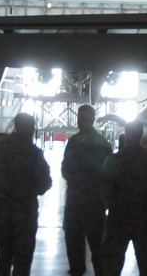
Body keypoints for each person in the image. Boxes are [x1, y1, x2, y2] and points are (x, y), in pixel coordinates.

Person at [0, 112, 53, 276]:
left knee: (4, 257)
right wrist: (35, 190)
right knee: (23, 260)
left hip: (4, 209)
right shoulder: (33, 152)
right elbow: (44, 183)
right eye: (31, 126)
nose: (33, 130)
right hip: (26, 210)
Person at [101, 120, 147, 276]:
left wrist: (122, 217)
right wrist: (144, 218)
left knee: (112, 267)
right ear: (141, 134)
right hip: (144, 225)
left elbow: (106, 192)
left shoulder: (112, 161)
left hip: (118, 224)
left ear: (126, 134)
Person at [62, 104, 113, 276]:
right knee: (97, 242)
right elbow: (108, 173)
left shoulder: (76, 142)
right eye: (79, 117)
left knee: (74, 239)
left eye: (82, 118)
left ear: (91, 119)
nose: (79, 121)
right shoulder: (102, 143)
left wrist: (75, 179)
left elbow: (65, 169)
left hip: (78, 200)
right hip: (94, 201)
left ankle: (78, 270)